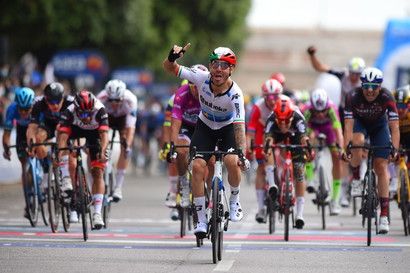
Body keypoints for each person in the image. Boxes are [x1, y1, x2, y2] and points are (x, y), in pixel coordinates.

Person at [163, 44, 249, 238]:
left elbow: (239, 126)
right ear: (210, 67)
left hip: (227, 128)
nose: (218, 69)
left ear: (231, 69)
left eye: (224, 65)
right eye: (215, 64)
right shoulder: (200, 78)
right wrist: (172, 57)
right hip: (205, 126)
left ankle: (235, 200)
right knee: (199, 167)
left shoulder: (236, 94)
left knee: (231, 160)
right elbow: (171, 68)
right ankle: (201, 219)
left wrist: (242, 153)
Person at [342, 67, 399, 234]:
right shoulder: (352, 96)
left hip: (379, 127)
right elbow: (348, 126)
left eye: (374, 86)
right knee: (357, 142)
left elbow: (394, 127)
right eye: (366, 86)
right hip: (360, 124)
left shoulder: (387, 97)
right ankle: (357, 177)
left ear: (380, 86)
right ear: (362, 85)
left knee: (381, 166)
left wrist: (394, 149)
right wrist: (347, 147)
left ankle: (384, 215)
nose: (369, 90)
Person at [57, 90, 109, 229]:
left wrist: (103, 152)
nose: (86, 117)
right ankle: (68, 181)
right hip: (75, 130)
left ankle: (97, 213)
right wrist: (61, 156)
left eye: (89, 113)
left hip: (94, 133)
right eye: (83, 114)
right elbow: (62, 138)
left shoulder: (99, 110)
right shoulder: (69, 111)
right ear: (77, 109)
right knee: (67, 153)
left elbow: (104, 135)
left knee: (98, 171)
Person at [264, 95, 314, 229]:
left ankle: (299, 214)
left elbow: (304, 138)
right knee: (267, 149)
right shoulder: (271, 118)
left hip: (295, 136)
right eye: (280, 121)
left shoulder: (298, 118)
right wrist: (268, 146)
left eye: (286, 121)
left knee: (299, 171)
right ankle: (273, 184)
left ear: (291, 116)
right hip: (277, 135)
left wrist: (308, 148)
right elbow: (268, 139)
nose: (283, 125)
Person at [169, 64, 208, 210]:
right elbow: (175, 124)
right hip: (186, 127)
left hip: (204, 128)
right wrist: (173, 146)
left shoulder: (212, 94)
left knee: (209, 158)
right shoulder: (181, 94)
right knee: (181, 151)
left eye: (200, 86)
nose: (197, 90)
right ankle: (184, 184)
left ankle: (208, 190)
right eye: (194, 86)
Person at [246, 78, 283, 223]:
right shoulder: (258, 107)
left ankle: (286, 184)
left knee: (287, 156)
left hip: (281, 132)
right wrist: (249, 146)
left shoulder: (286, 103)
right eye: (269, 97)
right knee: (261, 167)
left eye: (275, 96)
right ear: (264, 96)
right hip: (263, 133)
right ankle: (261, 208)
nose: (272, 100)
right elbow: (250, 132)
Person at [303, 88, 344, 215]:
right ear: (312, 107)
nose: (320, 114)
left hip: (328, 128)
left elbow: (338, 131)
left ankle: (335, 200)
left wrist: (341, 148)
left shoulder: (332, 109)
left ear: (327, 107)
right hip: (312, 128)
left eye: (323, 111)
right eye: (317, 111)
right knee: (307, 145)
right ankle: (310, 179)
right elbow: (302, 131)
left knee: (336, 157)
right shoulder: (307, 110)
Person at [97, 79, 138, 202]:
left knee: (125, 146)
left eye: (117, 100)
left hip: (123, 119)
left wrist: (128, 145)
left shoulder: (131, 100)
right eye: (111, 100)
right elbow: (96, 125)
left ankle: (118, 186)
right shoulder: (100, 98)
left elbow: (131, 127)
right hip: (106, 118)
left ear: (123, 96)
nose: (114, 103)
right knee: (98, 143)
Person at [306, 46, 365, 126]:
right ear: (348, 71)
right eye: (352, 73)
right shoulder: (343, 74)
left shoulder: (365, 80)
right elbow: (320, 68)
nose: (354, 77)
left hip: (359, 110)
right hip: (344, 110)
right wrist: (312, 55)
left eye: (357, 74)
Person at [2, 87, 35, 219]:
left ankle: (45, 177)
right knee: (24, 165)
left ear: (32, 105)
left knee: (41, 149)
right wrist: (6, 149)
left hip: (36, 129)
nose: (23, 112)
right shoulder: (11, 109)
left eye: (27, 109)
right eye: (20, 109)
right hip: (21, 131)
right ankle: (28, 199)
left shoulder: (38, 107)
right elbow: (6, 134)